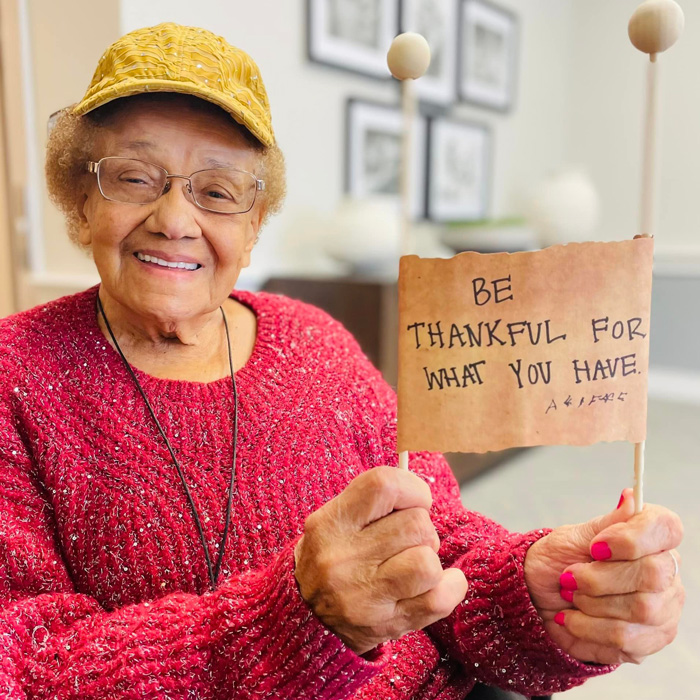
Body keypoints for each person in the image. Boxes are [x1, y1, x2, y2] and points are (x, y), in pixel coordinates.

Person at [0, 23, 684, 700]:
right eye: (134, 177)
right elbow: (26, 668)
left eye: (217, 191)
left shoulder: (316, 340)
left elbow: (439, 540)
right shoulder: (16, 375)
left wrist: (533, 590)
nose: (175, 219)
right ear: (80, 200)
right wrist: (293, 621)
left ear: (254, 222)